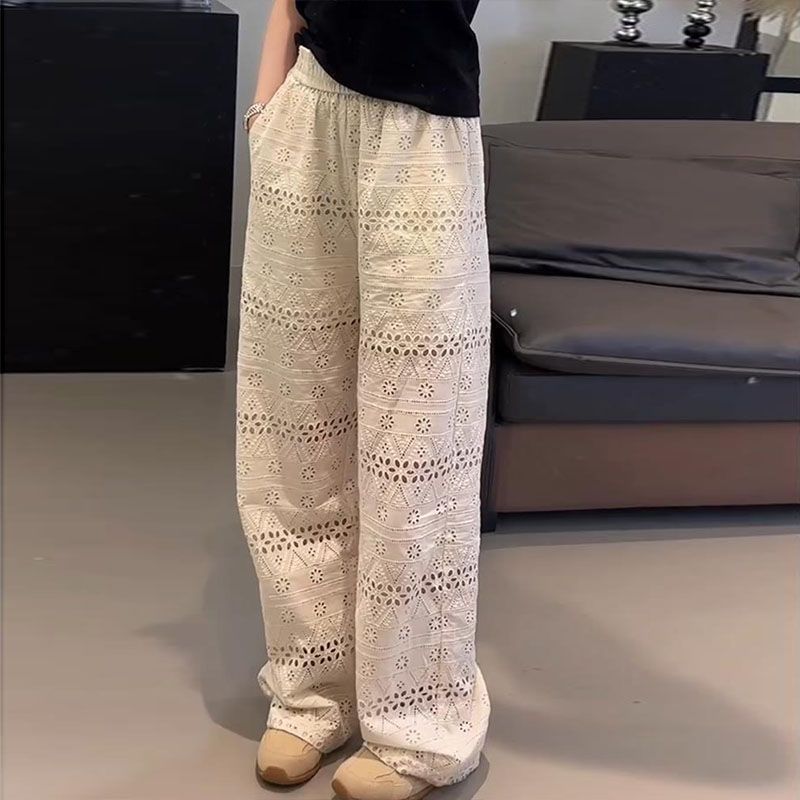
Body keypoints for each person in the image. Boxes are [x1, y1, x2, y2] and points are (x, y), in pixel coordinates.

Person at [235, 2, 489, 798]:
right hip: (308, 110)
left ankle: (419, 724)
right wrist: (265, 109)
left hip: (423, 135)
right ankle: (312, 693)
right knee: (295, 422)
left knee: (419, 441)